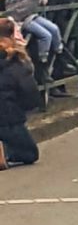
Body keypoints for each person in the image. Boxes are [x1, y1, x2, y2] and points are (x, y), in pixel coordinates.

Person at [0, 17, 40, 169]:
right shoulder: (17, 62)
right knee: (30, 154)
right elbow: (30, 95)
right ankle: (6, 152)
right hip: (9, 117)